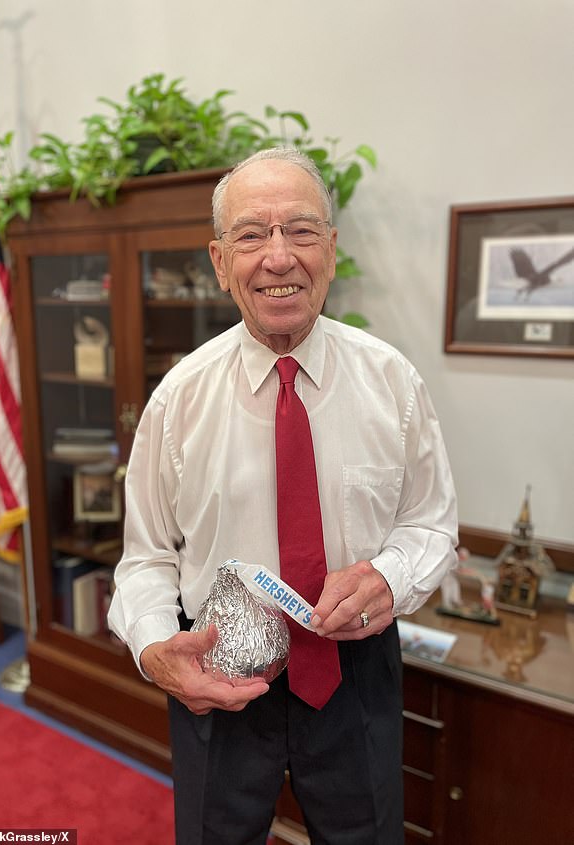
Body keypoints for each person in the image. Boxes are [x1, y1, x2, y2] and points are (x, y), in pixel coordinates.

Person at [108, 147, 458, 845]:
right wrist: (153, 648)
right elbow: (145, 560)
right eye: (251, 234)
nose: (278, 257)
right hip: (220, 667)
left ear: (329, 248)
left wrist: (389, 575)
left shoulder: (393, 383)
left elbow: (431, 524)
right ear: (217, 260)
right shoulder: (178, 400)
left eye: (300, 231)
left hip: (354, 673)